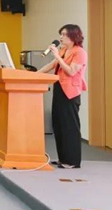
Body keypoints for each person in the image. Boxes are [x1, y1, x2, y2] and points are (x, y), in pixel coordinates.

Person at [37, 24, 88, 169]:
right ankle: (63, 158)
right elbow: (51, 65)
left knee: (69, 126)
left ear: (73, 36)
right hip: (59, 88)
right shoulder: (64, 50)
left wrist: (58, 57)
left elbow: (71, 71)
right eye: (61, 34)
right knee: (58, 124)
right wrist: (34, 75)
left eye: (64, 34)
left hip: (71, 92)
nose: (61, 37)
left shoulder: (80, 52)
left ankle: (72, 161)